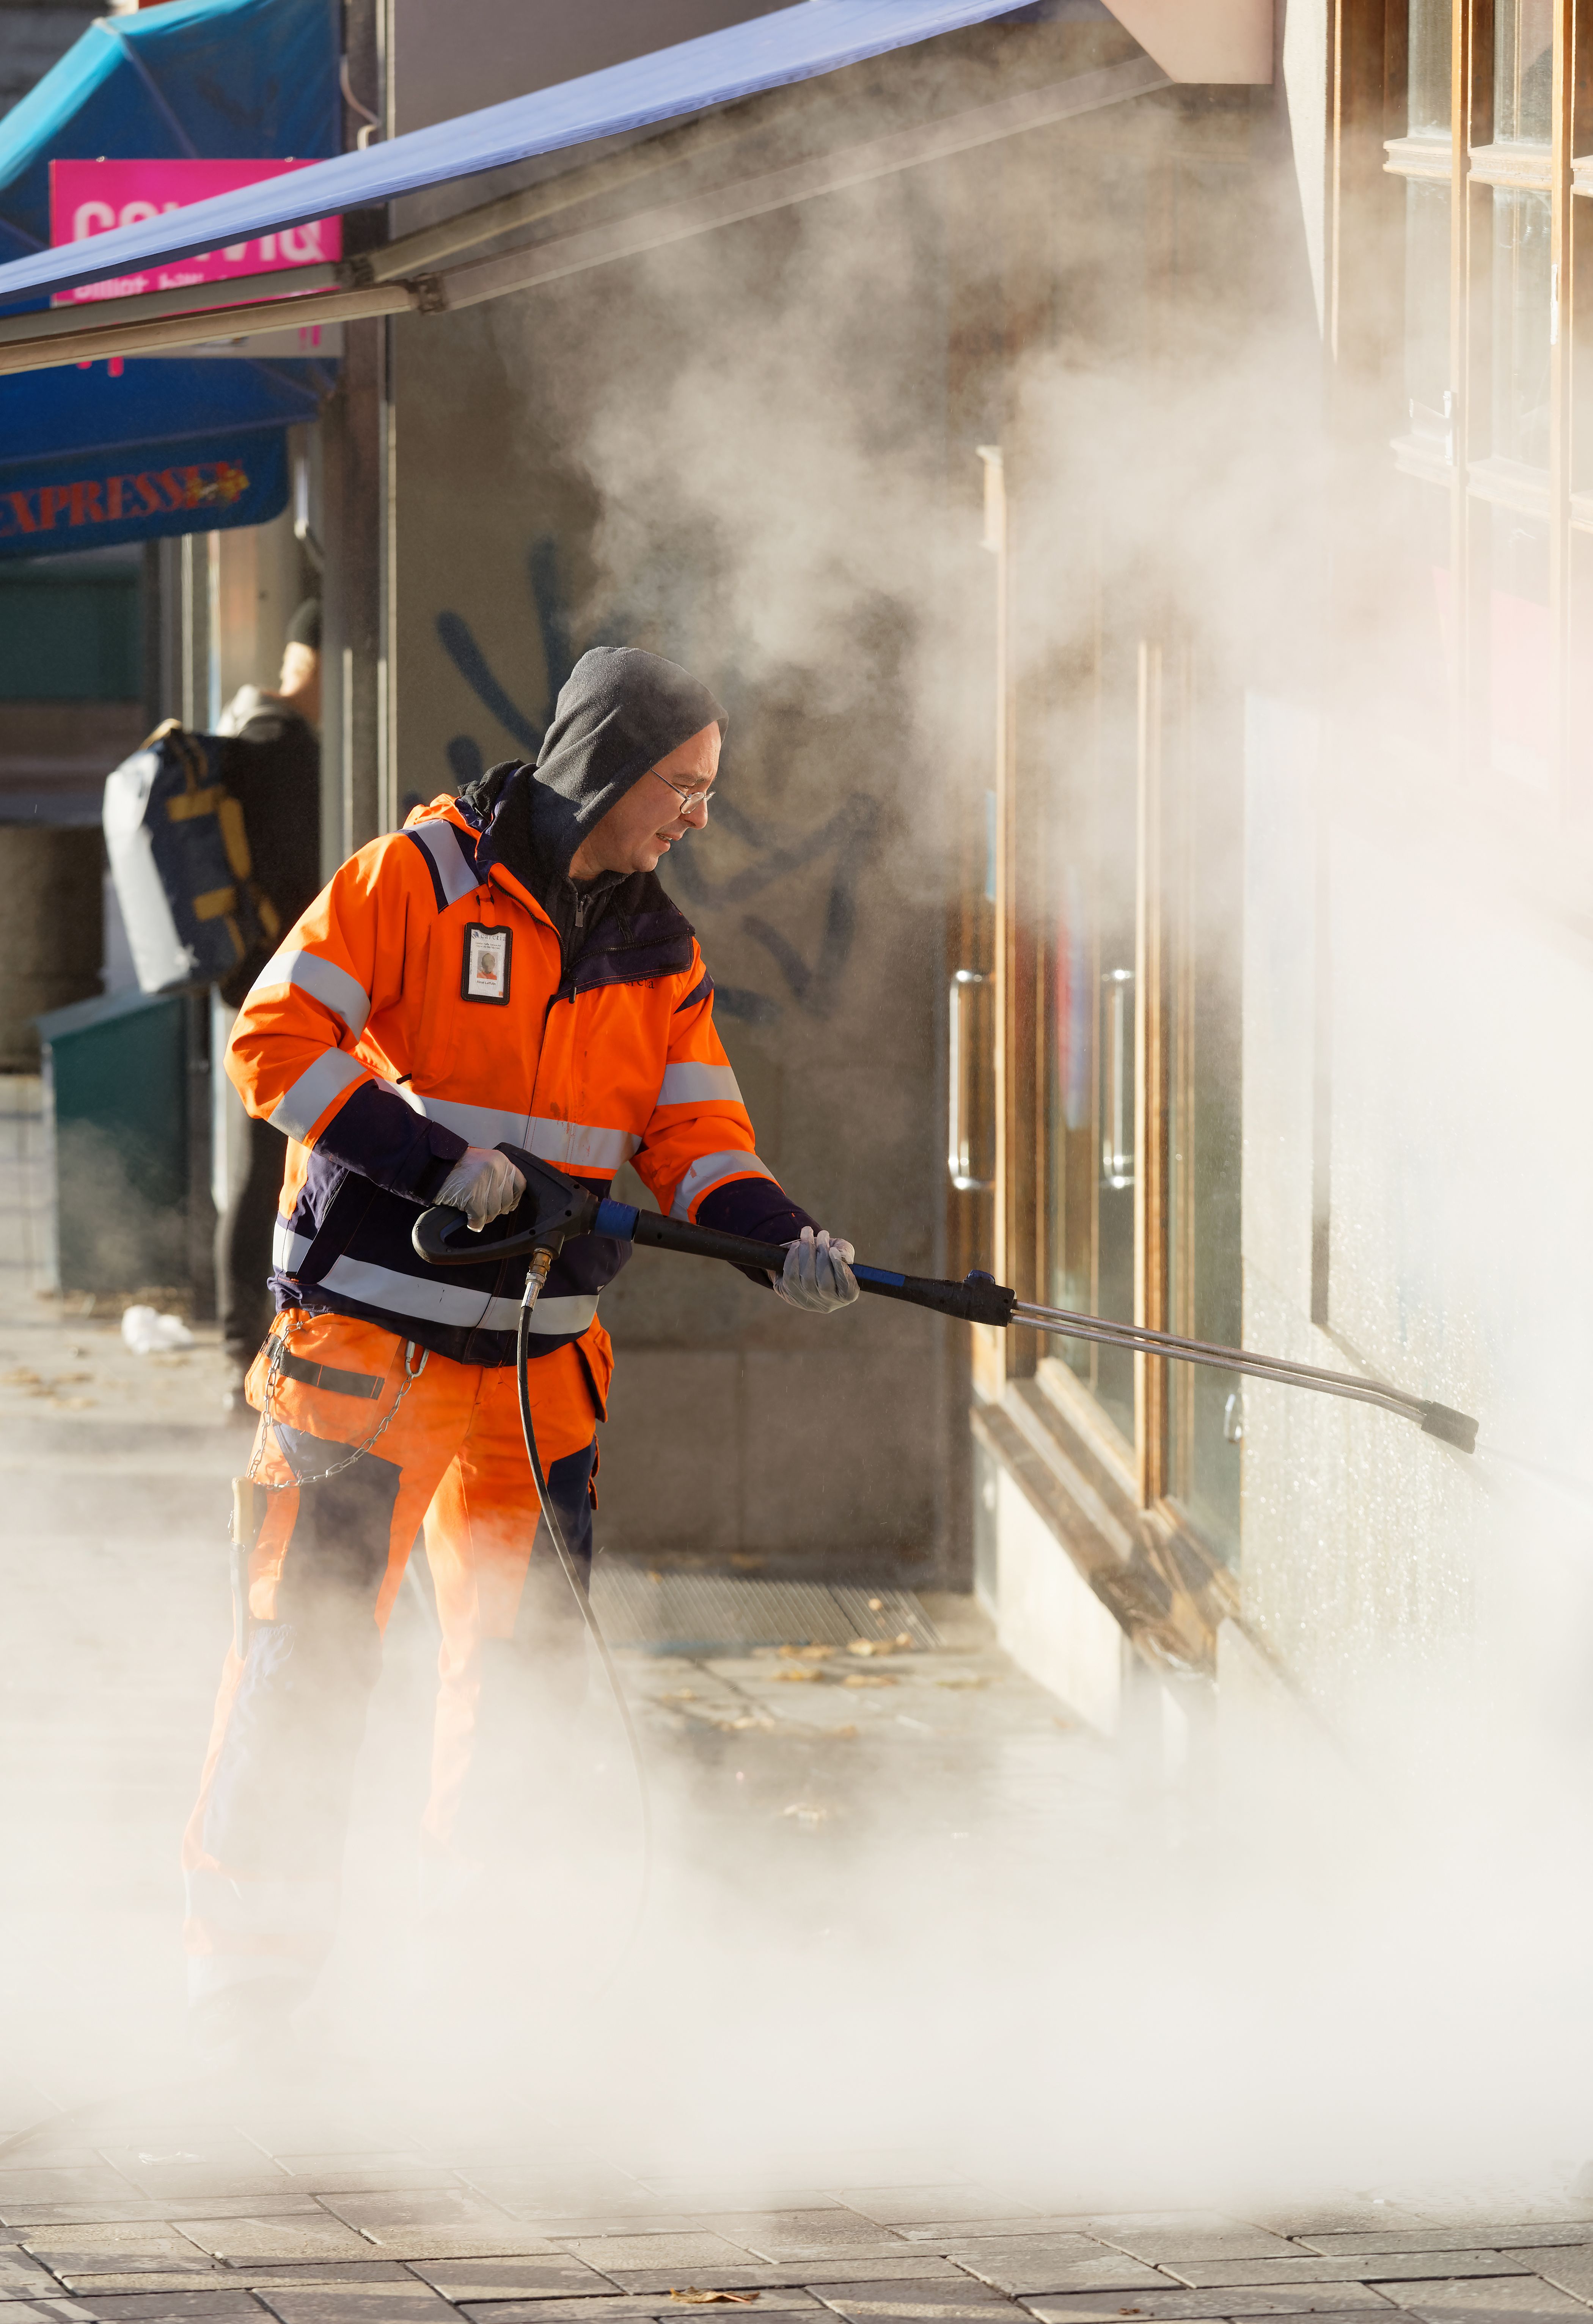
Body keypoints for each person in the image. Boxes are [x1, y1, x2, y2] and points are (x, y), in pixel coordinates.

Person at [182, 645, 859, 2054]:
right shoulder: (410, 882)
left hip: (536, 1385)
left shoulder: (661, 951)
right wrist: (434, 1158)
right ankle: (251, 1979)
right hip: (368, 1357)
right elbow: (275, 1037)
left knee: (523, 1669)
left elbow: (697, 1139)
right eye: (682, 786)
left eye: (710, 792)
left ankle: (491, 1980)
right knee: (309, 1650)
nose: (696, 817)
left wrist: (779, 1232)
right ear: (605, 766)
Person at [214, 597, 324, 1408]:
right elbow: (301, 887)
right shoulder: (284, 751)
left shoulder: (247, 729)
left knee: (261, 1168)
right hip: (286, 996)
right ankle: (240, 1352)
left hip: (254, 986)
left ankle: (237, 1346)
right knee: (267, 1172)